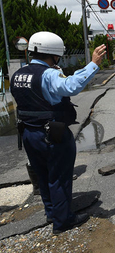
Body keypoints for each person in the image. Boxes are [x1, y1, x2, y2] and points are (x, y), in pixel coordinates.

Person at [10, 31, 106, 234]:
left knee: (43, 176)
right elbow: (71, 86)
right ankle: (63, 221)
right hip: (52, 134)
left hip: (28, 133)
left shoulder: (18, 74)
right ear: (54, 54)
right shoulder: (49, 74)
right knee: (59, 177)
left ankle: (52, 213)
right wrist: (94, 64)